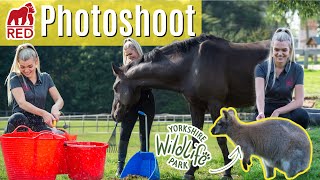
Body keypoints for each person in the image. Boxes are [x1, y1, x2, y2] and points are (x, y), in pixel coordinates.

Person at [255, 27, 310, 129]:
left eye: (284, 50)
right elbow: (260, 95)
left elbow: (299, 101)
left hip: (286, 110)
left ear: (290, 50)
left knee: (303, 116)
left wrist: (278, 111)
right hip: (266, 109)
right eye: (276, 49)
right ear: (272, 49)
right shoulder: (261, 68)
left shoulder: (297, 69)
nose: (280, 53)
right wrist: (261, 112)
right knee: (259, 120)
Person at [116, 38, 155, 176]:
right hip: (129, 106)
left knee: (144, 135)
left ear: (137, 51)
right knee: (124, 133)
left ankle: (145, 168)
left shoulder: (147, 65)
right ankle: (120, 167)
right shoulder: (124, 70)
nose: (129, 57)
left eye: (131, 54)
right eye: (126, 55)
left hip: (146, 102)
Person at [4, 43, 64, 133]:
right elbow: (22, 103)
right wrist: (44, 113)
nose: (26, 70)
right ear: (18, 64)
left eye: (30, 66)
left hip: (38, 124)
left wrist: (55, 107)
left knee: (61, 135)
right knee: (18, 118)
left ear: (36, 62)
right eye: (22, 67)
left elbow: (59, 99)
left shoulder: (46, 78)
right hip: (19, 123)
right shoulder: (15, 78)